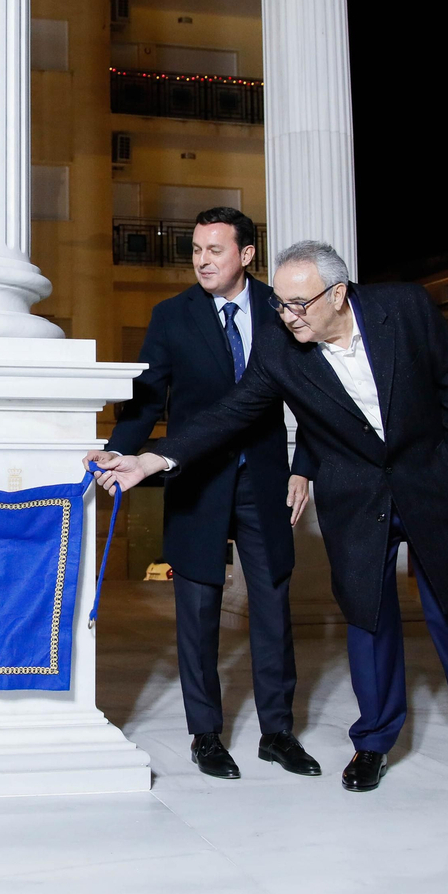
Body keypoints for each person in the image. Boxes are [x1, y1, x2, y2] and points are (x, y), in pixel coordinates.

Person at [88, 240, 448, 792]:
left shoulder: (404, 309)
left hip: (432, 487)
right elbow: (228, 416)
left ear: (338, 294)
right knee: (369, 621)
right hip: (356, 502)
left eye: (298, 304)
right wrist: (151, 459)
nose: (285, 315)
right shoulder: (282, 351)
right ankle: (374, 742)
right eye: (279, 303)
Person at [105, 207, 318, 779]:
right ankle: (206, 735)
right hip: (197, 479)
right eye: (196, 249)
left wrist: (304, 466)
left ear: (246, 255)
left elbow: (317, 395)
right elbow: (147, 400)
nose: (202, 260)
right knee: (196, 613)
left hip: (265, 479)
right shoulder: (171, 317)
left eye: (214, 250)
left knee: (272, 608)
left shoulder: (283, 310)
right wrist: (121, 451)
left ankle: (278, 732)